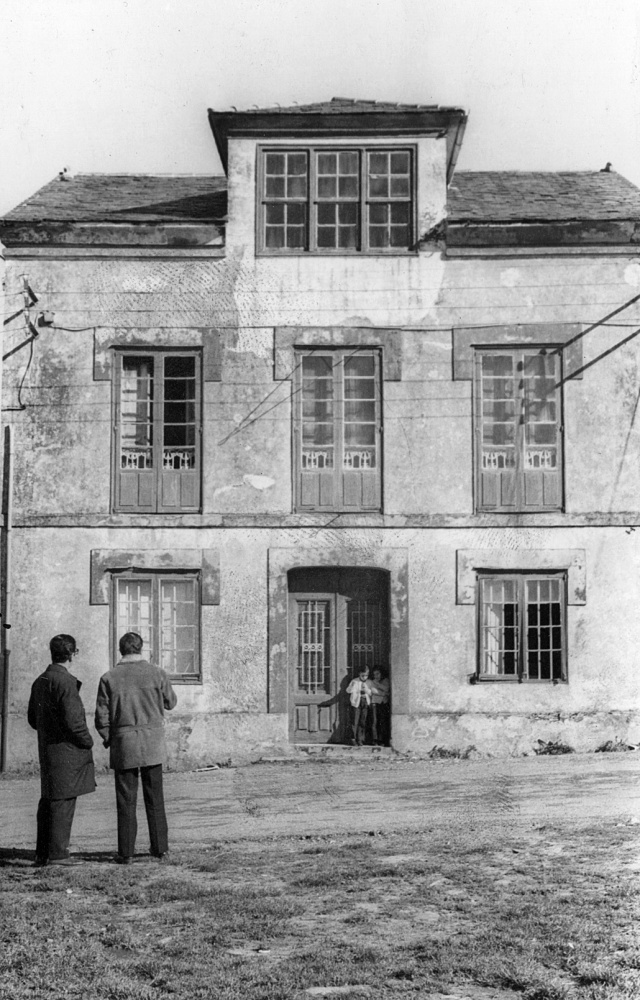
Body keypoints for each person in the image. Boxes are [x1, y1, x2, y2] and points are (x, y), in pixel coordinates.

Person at [95, 632, 177, 864]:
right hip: (152, 744)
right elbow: (171, 702)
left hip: (124, 744)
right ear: (141, 649)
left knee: (126, 800)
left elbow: (101, 717)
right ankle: (161, 849)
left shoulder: (109, 677)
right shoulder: (157, 673)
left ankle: (126, 852)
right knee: (155, 798)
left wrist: (110, 739)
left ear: (120, 650)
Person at [27, 634, 95, 867]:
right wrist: (88, 741)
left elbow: (33, 719)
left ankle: (43, 852)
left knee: (49, 799)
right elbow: (75, 722)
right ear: (72, 654)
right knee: (63, 801)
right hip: (67, 751)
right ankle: (58, 854)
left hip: (47, 749)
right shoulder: (65, 682)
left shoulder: (41, 680)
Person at [346, 667, 372, 746]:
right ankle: (353, 739)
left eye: (366, 676)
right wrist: (352, 686)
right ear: (359, 674)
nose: (364, 677)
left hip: (365, 702)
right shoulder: (354, 681)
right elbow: (348, 691)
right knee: (355, 721)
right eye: (362, 675)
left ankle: (360, 739)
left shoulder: (369, 682)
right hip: (356, 702)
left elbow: (371, 693)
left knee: (362, 721)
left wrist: (366, 690)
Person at [368, 668, 390, 746]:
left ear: (382, 673)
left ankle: (383, 740)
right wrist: (384, 693)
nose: (376, 676)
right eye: (374, 674)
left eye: (377, 674)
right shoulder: (372, 682)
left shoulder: (386, 680)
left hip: (383, 703)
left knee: (383, 721)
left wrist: (378, 685)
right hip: (375, 703)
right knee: (375, 721)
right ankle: (375, 739)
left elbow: (387, 688)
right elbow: (373, 691)